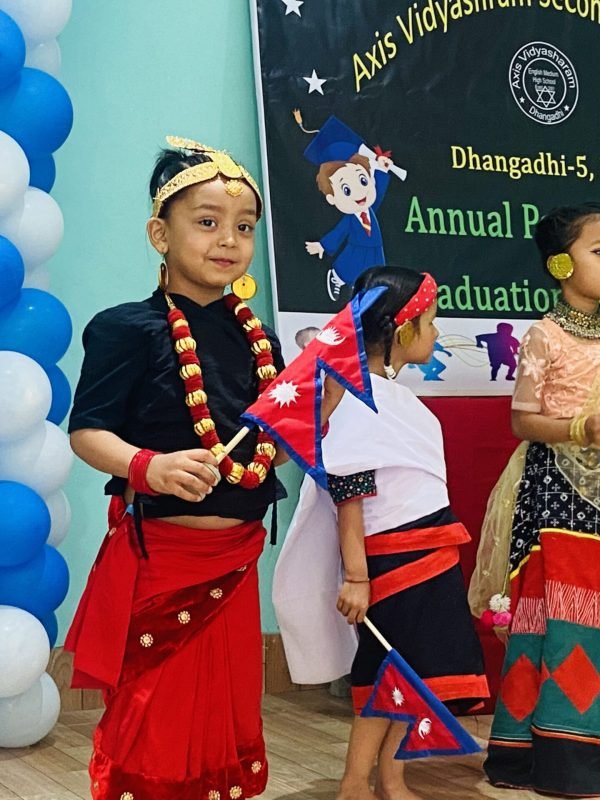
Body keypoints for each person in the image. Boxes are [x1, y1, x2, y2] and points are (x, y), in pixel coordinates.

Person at [64, 136, 287, 800]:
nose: (229, 241)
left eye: (244, 227)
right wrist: (148, 467)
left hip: (237, 558)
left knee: (229, 713)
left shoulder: (260, 339)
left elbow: (271, 437)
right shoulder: (126, 328)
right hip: (165, 559)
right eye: (207, 222)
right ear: (160, 233)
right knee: (155, 717)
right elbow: (87, 431)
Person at [274, 266, 488, 800]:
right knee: (386, 676)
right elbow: (350, 490)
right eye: (431, 323)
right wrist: (356, 576)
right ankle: (353, 784)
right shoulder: (353, 396)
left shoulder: (393, 400)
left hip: (432, 553)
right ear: (402, 329)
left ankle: (392, 778)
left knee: (415, 676)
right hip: (389, 564)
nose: (436, 334)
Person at [470, 203, 600, 796]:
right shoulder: (544, 335)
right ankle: (550, 757)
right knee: (563, 612)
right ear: (559, 263)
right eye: (599, 251)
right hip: (558, 489)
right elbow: (523, 419)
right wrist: (580, 429)